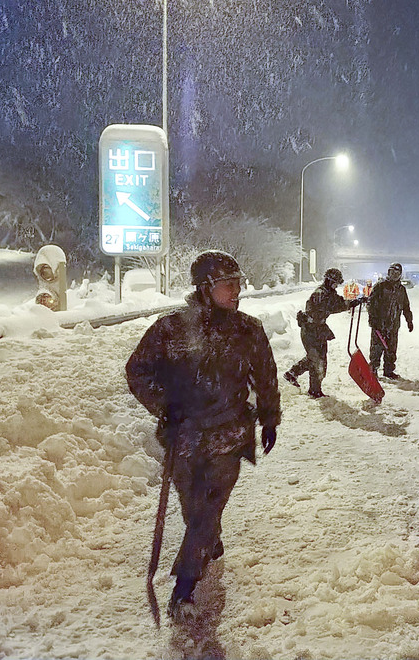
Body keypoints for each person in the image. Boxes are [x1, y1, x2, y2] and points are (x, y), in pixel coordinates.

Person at [125, 250, 281, 619]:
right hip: (183, 441)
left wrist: (270, 418)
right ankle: (208, 540)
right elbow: (138, 372)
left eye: (238, 284)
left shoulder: (248, 330)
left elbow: (266, 377)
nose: (237, 291)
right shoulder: (170, 329)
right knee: (194, 509)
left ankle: (184, 588)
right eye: (229, 285)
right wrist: (166, 405)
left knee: (206, 513)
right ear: (205, 287)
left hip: (228, 438)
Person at [284, 267, 363, 398]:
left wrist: (355, 302)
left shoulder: (329, 292)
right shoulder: (320, 294)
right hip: (310, 330)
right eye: (335, 282)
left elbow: (340, 302)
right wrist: (349, 304)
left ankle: (292, 373)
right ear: (328, 280)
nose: (336, 285)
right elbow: (332, 307)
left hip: (318, 330)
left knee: (317, 358)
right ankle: (314, 391)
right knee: (318, 362)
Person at [367, 262, 413, 379]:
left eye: (397, 273)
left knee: (391, 350)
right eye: (392, 272)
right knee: (376, 349)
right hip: (379, 325)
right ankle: (373, 370)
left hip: (393, 326)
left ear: (400, 275)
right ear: (388, 272)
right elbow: (371, 303)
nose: (394, 275)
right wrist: (373, 319)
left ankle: (389, 371)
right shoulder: (380, 286)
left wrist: (409, 321)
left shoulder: (401, 289)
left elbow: (406, 306)